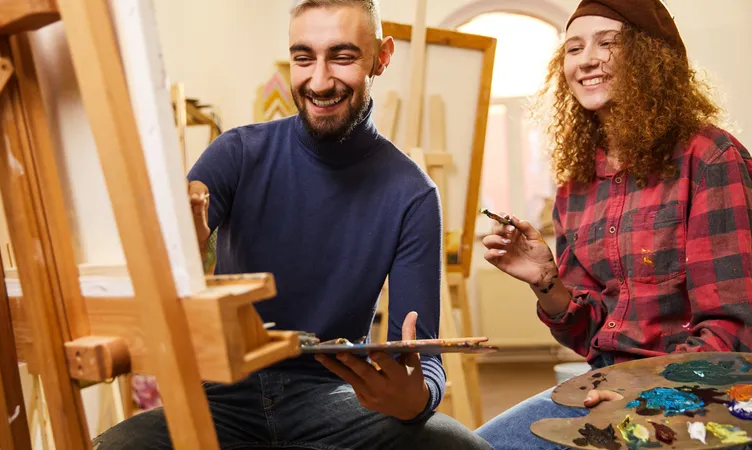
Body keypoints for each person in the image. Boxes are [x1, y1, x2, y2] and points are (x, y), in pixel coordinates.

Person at [92, 1, 493, 449]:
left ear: (382, 57)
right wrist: (178, 248)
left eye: (342, 57)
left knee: (461, 447)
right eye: (304, 58)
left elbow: (425, 360)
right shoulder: (236, 153)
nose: (319, 81)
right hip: (223, 399)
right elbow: (174, 245)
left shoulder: (413, 194)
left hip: (339, 402)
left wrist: (415, 400)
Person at [474, 0, 752, 448]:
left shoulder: (710, 157)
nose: (586, 60)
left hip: (707, 397)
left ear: (651, 59)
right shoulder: (576, 184)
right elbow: (593, 336)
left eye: (608, 43)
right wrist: (549, 284)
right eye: (573, 48)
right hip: (606, 386)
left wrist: (645, 394)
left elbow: (733, 330)